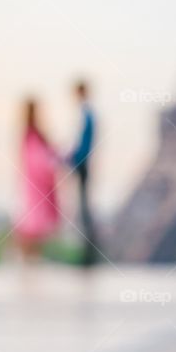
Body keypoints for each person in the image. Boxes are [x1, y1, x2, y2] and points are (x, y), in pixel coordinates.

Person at [15, 98, 60, 258]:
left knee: (36, 225)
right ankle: (28, 257)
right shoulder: (31, 133)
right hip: (36, 184)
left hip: (37, 184)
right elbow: (36, 160)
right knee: (33, 224)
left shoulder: (33, 133)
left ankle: (32, 257)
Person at [68, 78, 99, 266]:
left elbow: (83, 144)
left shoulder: (86, 114)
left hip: (82, 164)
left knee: (84, 208)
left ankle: (88, 254)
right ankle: (88, 252)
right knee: (84, 208)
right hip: (82, 163)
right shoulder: (87, 113)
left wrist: (74, 160)